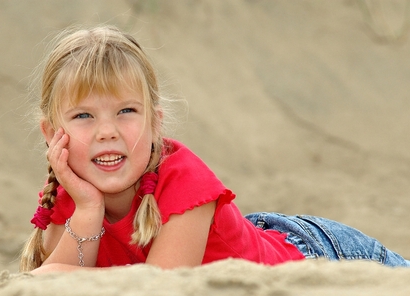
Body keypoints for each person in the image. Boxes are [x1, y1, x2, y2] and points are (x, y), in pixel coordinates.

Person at [20, 25, 410, 274]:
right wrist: (88, 209)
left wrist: (56, 275)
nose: (107, 131)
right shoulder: (71, 193)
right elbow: (57, 288)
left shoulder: (182, 180)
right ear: (53, 133)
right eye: (84, 116)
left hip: (323, 255)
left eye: (126, 111)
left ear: (156, 123)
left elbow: (156, 292)